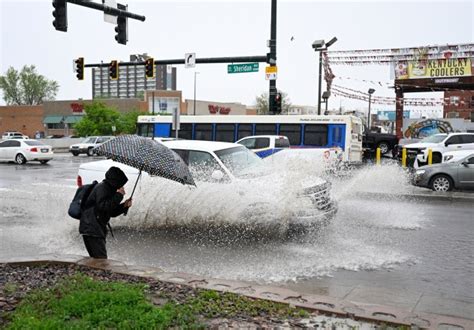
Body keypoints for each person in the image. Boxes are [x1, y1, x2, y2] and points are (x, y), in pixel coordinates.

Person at [79, 166, 132, 258]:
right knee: (101, 259)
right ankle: (99, 272)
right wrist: (119, 195)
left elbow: (111, 212)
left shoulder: (109, 189)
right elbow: (103, 206)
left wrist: (124, 206)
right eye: (121, 183)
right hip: (92, 227)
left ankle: (95, 272)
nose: (122, 186)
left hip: (95, 227)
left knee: (97, 259)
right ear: (115, 181)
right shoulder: (103, 188)